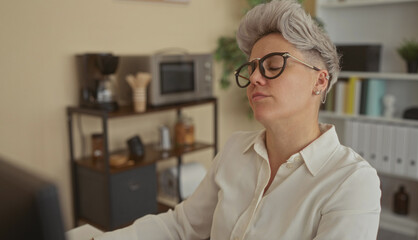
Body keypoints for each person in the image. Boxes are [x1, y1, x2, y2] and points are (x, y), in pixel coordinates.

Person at [95, 0, 381, 239]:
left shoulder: (352, 182)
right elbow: (180, 226)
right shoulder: (235, 150)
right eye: (252, 68)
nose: (255, 78)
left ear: (319, 80)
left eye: (272, 66)